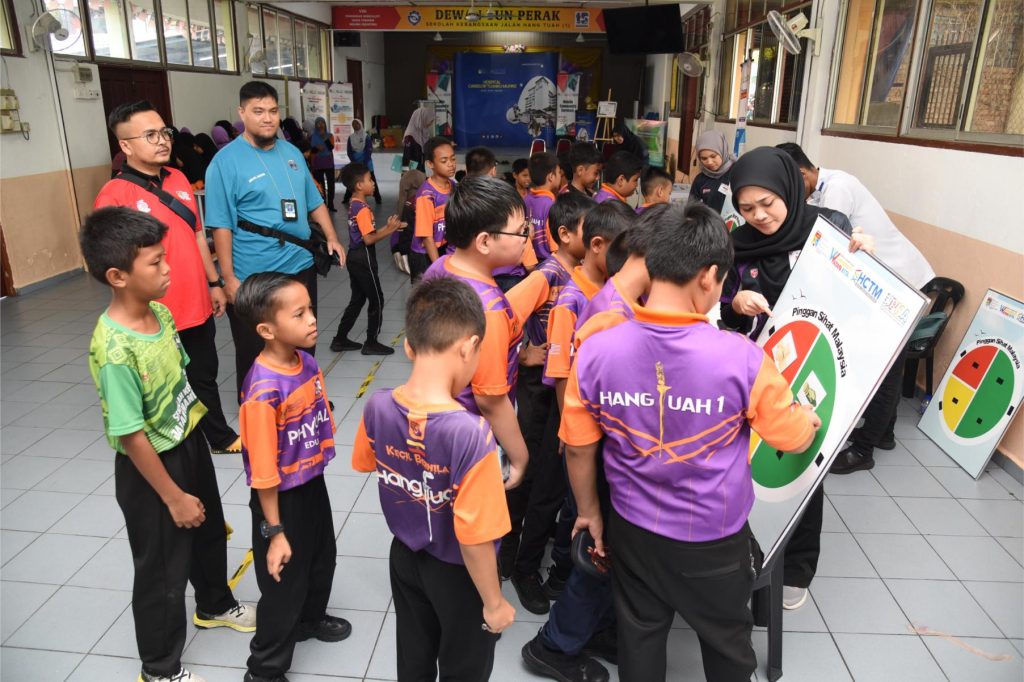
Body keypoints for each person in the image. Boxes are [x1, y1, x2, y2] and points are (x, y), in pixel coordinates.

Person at [561, 202, 821, 682]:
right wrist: (806, 420)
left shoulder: (596, 346)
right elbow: (792, 436)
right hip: (713, 538)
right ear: (708, 277)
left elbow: (578, 446)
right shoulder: (742, 359)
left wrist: (590, 512)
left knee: (639, 637)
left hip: (631, 529)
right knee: (726, 645)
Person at [81, 207, 256, 682]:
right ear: (117, 276)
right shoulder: (115, 350)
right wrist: (173, 495)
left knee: (208, 530)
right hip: (151, 468)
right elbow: (130, 434)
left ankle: (214, 604)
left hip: (187, 439)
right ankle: (160, 668)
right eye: (155, 262)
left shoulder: (159, 313)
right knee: (162, 569)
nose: (168, 269)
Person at [720, 146, 872, 612]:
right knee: (755, 465)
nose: (759, 216)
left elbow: (863, 298)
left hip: (821, 366)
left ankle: (799, 567)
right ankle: (751, 552)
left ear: (788, 189)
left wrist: (866, 260)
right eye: (747, 208)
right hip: (762, 373)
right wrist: (736, 303)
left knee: (805, 465)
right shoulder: (736, 243)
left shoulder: (831, 229)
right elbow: (722, 307)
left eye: (767, 203)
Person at [352, 277, 517, 681]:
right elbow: (475, 538)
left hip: (404, 557)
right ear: (469, 347)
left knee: (414, 655)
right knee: (464, 666)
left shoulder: (377, 406)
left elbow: (367, 462)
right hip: (459, 572)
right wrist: (494, 602)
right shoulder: (471, 434)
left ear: (409, 346)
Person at [520, 205, 642, 682]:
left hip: (584, 423)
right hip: (569, 418)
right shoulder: (575, 299)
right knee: (554, 500)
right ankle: (528, 572)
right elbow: (562, 375)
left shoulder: (606, 290)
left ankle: (579, 606)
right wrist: (569, 433)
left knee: (578, 514)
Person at [777, 142, 935, 472]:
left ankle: (864, 451)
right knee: (887, 365)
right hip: (883, 283)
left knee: (886, 368)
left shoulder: (837, 189)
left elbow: (832, 245)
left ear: (802, 174)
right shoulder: (820, 188)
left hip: (900, 284)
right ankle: (884, 433)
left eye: (790, 186)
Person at [96, 100, 241, 456]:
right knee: (162, 384)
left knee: (204, 373)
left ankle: (218, 437)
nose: (162, 140)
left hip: (196, 301)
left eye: (164, 132)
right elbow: (112, 267)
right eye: (150, 135)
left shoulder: (177, 178)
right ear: (126, 145)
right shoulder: (114, 196)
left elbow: (196, 233)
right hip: (155, 313)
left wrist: (214, 283)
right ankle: (175, 443)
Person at [234, 273, 351, 682]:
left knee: (321, 557)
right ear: (267, 330)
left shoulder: (308, 362)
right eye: (299, 314)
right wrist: (276, 532)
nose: (312, 319)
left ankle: (309, 620)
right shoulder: (262, 391)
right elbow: (263, 473)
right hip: (280, 499)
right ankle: (264, 670)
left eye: (310, 310)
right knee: (284, 582)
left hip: (310, 482)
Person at [205, 81, 344, 397]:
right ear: (242, 113)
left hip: (300, 265)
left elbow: (314, 201)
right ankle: (260, 406)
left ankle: (304, 398)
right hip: (255, 274)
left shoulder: (292, 152)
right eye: (258, 111)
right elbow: (221, 226)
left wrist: (332, 236)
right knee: (254, 346)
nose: (267, 118)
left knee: (303, 338)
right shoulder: (224, 163)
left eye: (272, 110)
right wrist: (228, 278)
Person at [420, 176, 558, 493]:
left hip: (439, 419)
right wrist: (520, 456)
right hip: (476, 433)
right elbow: (491, 399)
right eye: (521, 231)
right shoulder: (490, 309)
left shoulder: (441, 267)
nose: (527, 238)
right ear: (484, 242)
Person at [505, 193, 595, 614]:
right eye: (589, 231)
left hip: (559, 389)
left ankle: (522, 548)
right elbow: (502, 313)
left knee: (547, 479)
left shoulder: (580, 273)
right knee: (532, 475)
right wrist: (523, 352)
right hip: (539, 392)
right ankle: (515, 558)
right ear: (565, 234)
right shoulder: (548, 274)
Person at [330, 163, 405, 356]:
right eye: (369, 180)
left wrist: (389, 227)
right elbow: (369, 239)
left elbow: (368, 233)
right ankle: (371, 342)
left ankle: (339, 339)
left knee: (358, 299)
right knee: (377, 299)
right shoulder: (362, 209)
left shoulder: (354, 203)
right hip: (363, 258)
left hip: (355, 257)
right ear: (359, 185)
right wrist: (389, 230)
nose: (373, 183)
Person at [410, 136, 457, 280]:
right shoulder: (426, 194)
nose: (451, 164)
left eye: (453, 159)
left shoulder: (453, 186)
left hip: (442, 246)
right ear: (430, 164)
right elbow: (426, 237)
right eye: (444, 161)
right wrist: (438, 267)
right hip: (425, 253)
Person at [525, 152, 563, 261]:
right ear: (551, 177)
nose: (561, 176)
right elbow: (554, 247)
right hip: (547, 261)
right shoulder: (551, 205)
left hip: (529, 260)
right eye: (559, 172)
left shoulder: (525, 199)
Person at [690, 130, 737, 213]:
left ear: (722, 151)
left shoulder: (736, 173)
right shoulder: (700, 180)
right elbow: (692, 208)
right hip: (708, 221)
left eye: (713, 156)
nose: (709, 162)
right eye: (704, 158)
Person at [343, 119, 383, 205]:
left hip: (366, 162)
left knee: (371, 179)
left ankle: (378, 198)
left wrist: (364, 163)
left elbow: (369, 150)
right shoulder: (351, 137)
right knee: (353, 180)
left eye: (357, 124)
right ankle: (346, 198)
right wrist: (354, 161)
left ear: (361, 125)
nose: (355, 125)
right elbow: (349, 151)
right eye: (353, 124)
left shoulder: (366, 136)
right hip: (355, 162)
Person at [394, 169, 426, 273]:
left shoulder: (406, 204)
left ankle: (402, 255)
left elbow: (401, 203)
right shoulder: (425, 198)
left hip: (408, 242)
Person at [309, 117, 337, 212]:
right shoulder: (312, 136)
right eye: (318, 123)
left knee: (331, 183)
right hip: (317, 163)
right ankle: (323, 203)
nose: (320, 125)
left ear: (325, 124)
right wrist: (317, 148)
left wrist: (324, 137)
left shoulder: (330, 135)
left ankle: (331, 204)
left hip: (328, 162)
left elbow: (331, 147)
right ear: (315, 125)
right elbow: (311, 150)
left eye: (322, 123)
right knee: (320, 184)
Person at [403, 105, 435, 170]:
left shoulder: (423, 133)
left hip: (420, 168)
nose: (431, 123)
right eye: (429, 120)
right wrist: (407, 173)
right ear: (422, 119)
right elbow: (407, 157)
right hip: (413, 171)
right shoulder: (410, 136)